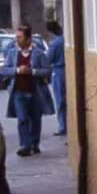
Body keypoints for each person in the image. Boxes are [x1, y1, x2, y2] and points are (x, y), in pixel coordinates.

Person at [0, 25, 55, 157]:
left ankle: (34, 144)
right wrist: (17, 70)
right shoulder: (12, 53)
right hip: (18, 92)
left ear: (28, 38)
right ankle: (25, 145)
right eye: (16, 37)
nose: (17, 40)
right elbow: (4, 70)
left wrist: (33, 71)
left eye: (20, 37)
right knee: (22, 119)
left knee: (35, 119)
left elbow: (48, 71)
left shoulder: (38, 53)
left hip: (36, 91)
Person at [45, 20, 66, 136]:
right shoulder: (64, 40)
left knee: (59, 100)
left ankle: (63, 126)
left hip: (58, 71)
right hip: (66, 69)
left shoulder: (55, 43)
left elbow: (48, 59)